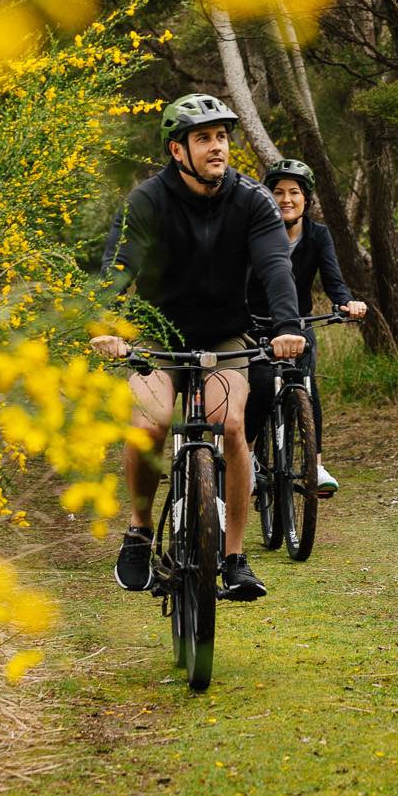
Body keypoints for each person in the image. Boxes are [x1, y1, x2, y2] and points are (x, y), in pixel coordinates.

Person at [91, 95, 306, 602]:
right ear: (177, 149)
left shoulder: (253, 201)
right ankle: (141, 530)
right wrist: (105, 328)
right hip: (158, 335)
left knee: (230, 425)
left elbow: (277, 268)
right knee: (150, 423)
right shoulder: (147, 201)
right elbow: (117, 269)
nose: (218, 147)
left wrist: (286, 327)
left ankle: (233, 558)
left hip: (224, 337)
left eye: (223, 137)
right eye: (204, 137)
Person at [246, 157, 367, 498]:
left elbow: (334, 281)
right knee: (260, 385)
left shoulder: (318, 235)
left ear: (306, 199)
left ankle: (314, 463)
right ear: (267, 197)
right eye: (278, 192)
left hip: (298, 326)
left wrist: (346, 302)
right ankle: (251, 459)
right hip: (256, 326)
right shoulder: (252, 234)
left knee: (306, 388)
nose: (286, 198)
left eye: (294, 192)